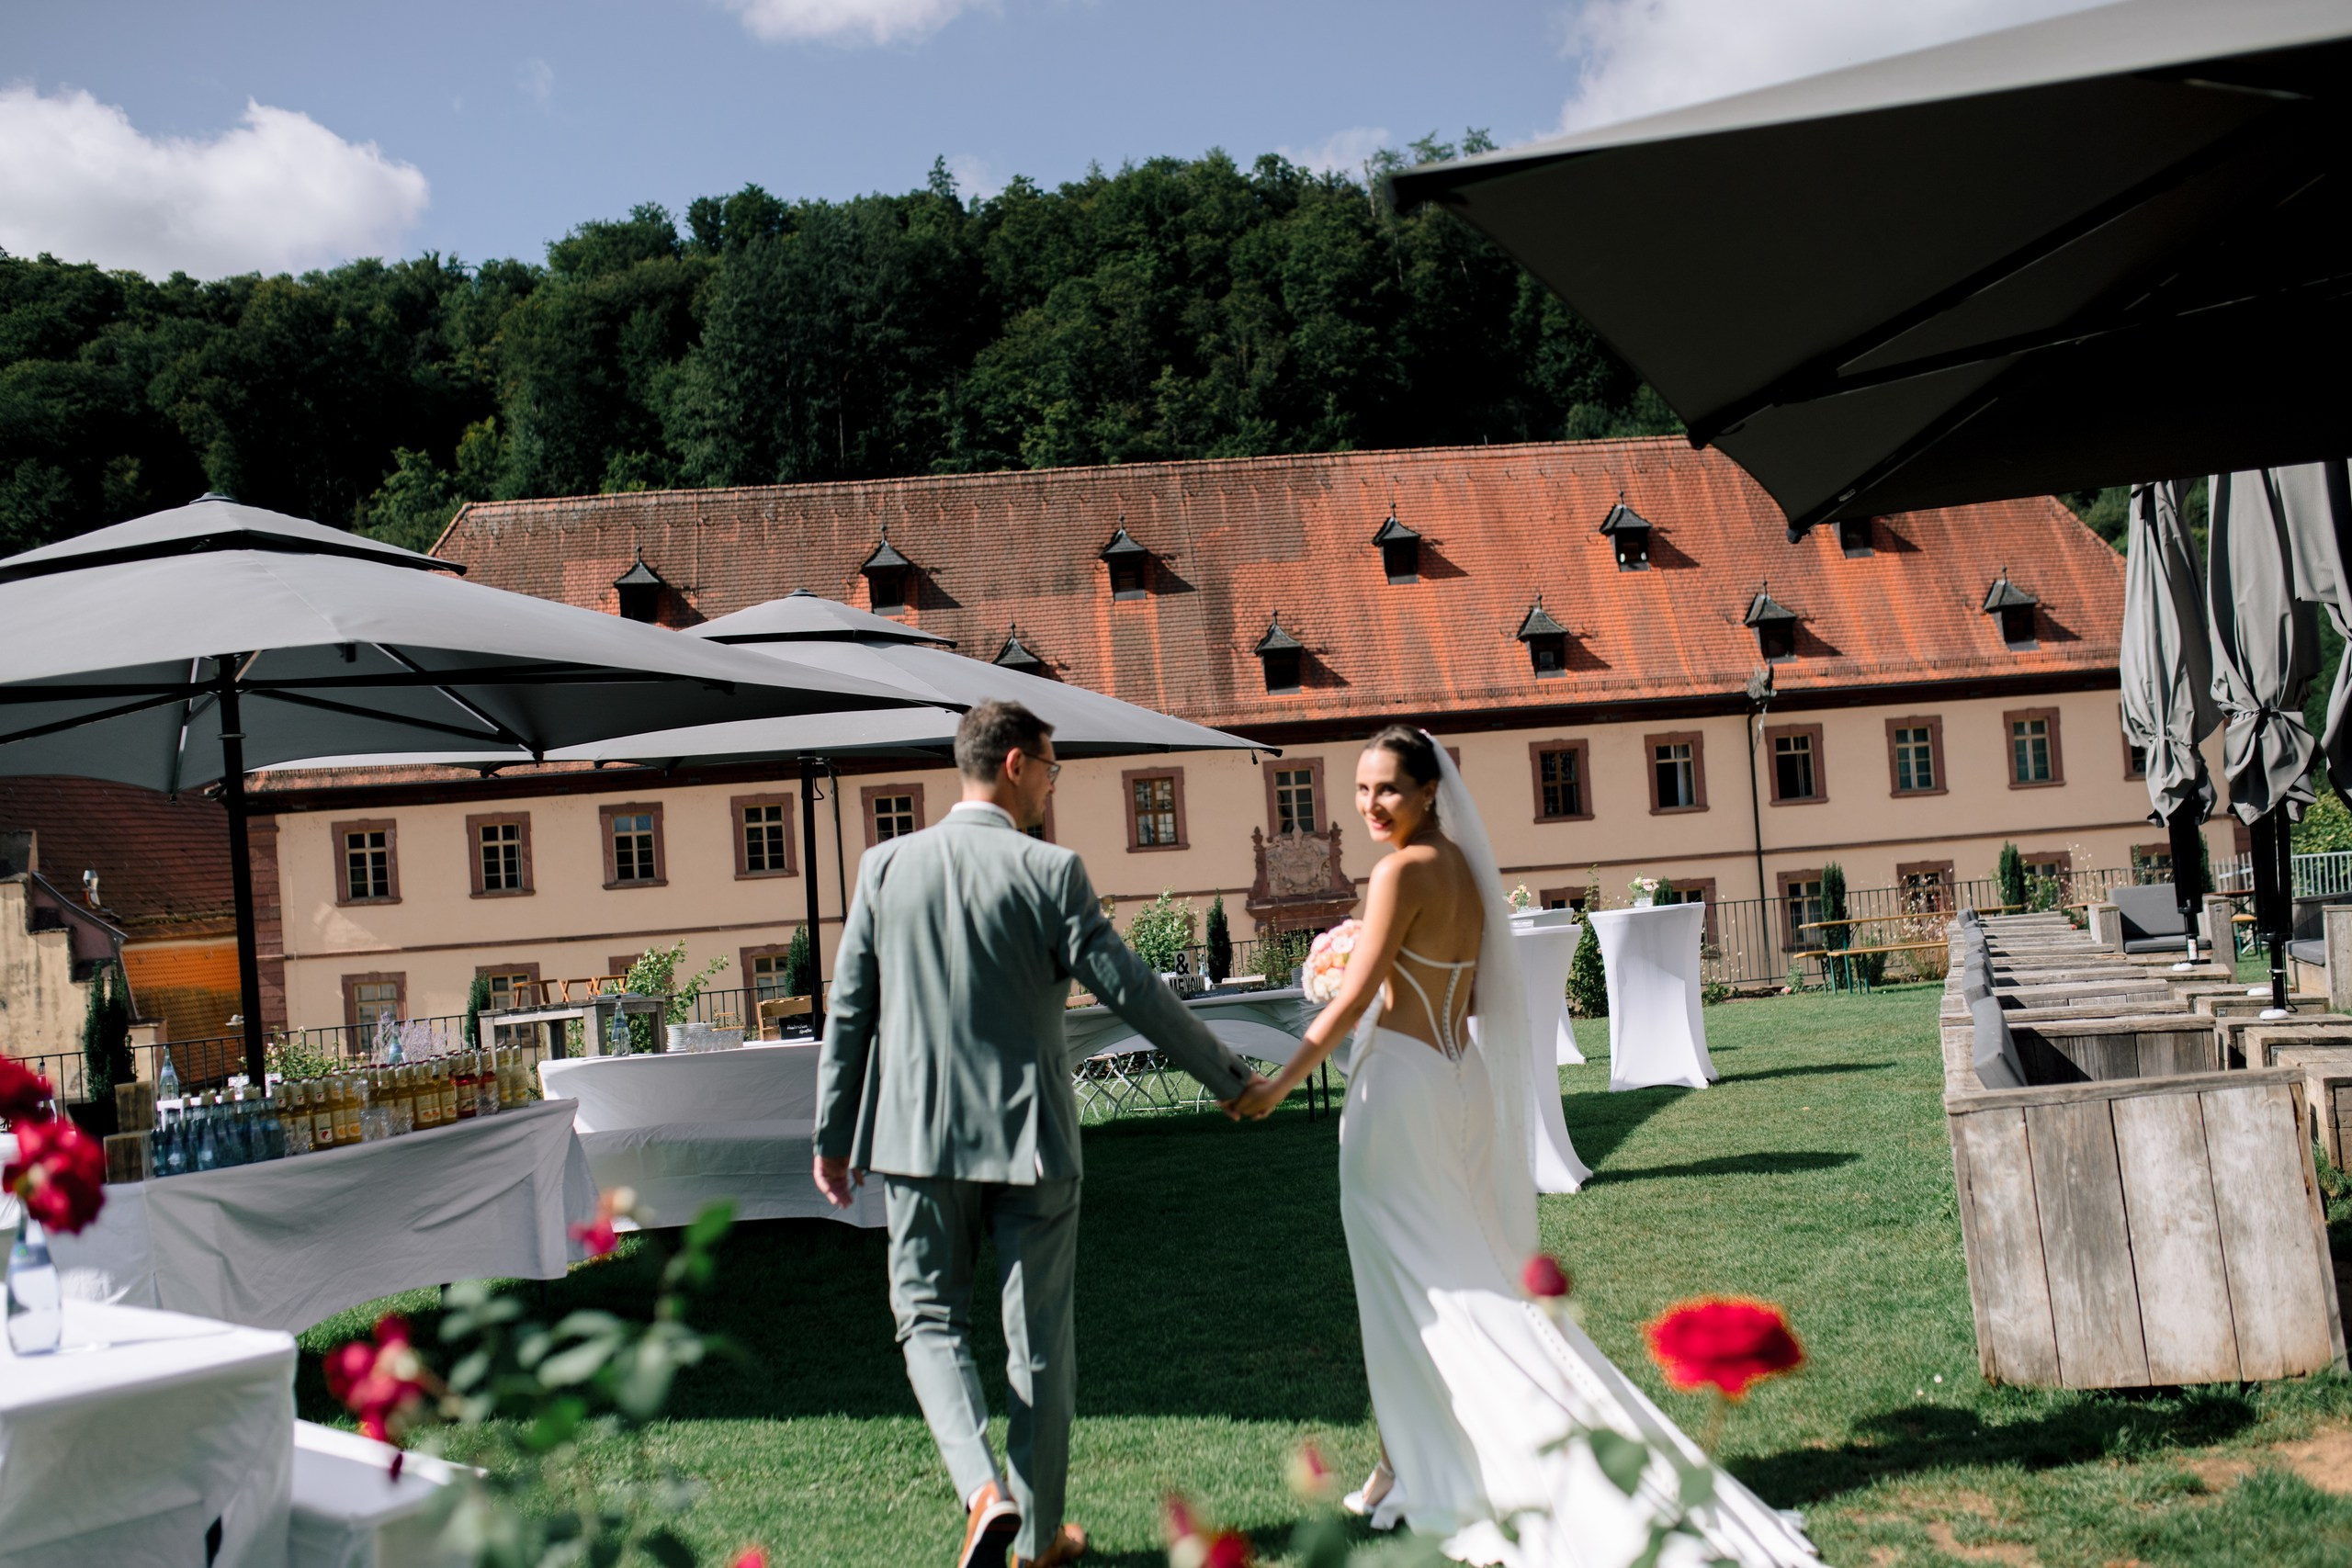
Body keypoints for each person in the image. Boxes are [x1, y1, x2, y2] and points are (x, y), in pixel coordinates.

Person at [1234, 728, 1821, 1568]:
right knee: (1444, 1270)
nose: (1370, 806)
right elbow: (1468, 993)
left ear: (1430, 791)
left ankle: (1431, 1459)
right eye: (1361, 791)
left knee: (1421, 1284)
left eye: (1388, 790)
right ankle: (1402, 1457)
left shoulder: (1400, 870)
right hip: (1455, 1077)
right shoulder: (1467, 871)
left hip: (1397, 1090)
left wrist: (1277, 1082)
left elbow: (1360, 990)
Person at [815, 699, 1269, 1568]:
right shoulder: (1051, 871)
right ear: (1016, 763)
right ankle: (1034, 1534)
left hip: (915, 1138)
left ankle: (983, 1491)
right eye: (1053, 768)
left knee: (926, 1319)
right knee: (1041, 1340)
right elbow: (1132, 988)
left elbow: (850, 1013)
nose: (1053, 786)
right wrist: (1232, 1078)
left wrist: (834, 1133)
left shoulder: (882, 868)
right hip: (1031, 1140)